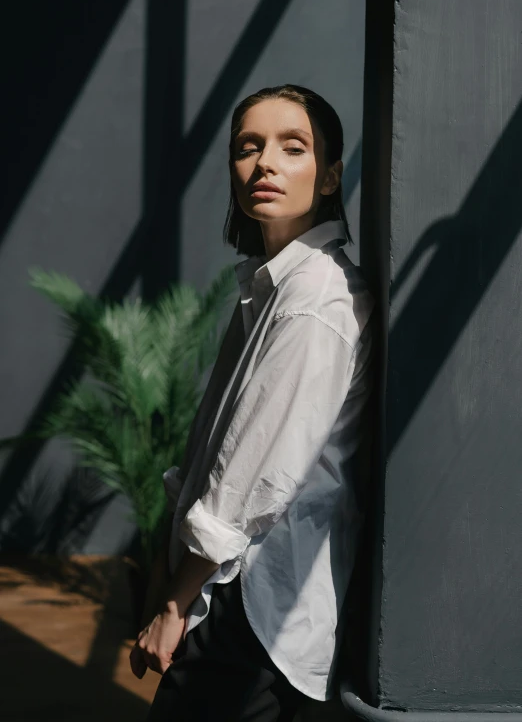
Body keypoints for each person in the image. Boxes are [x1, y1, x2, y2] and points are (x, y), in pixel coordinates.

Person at [130, 84, 375, 721]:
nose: (264, 162)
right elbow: (217, 443)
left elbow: (252, 476)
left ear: (330, 176)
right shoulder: (274, 287)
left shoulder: (315, 300)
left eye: (292, 147)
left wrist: (176, 603)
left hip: (255, 597)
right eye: (248, 147)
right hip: (238, 587)